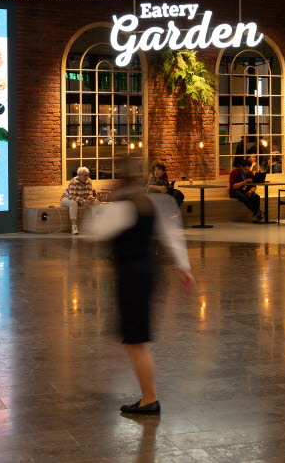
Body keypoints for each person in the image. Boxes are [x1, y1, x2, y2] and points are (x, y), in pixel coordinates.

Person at [83, 160, 194, 415]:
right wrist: (183, 267)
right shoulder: (152, 204)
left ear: (119, 181)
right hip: (149, 272)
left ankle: (149, 398)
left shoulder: (121, 208)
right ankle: (146, 395)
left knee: (136, 341)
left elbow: (94, 232)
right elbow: (171, 234)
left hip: (131, 276)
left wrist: (94, 207)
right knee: (135, 338)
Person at [61, 166, 99, 235]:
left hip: (81, 199)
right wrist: (84, 201)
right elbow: (71, 196)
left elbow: (89, 194)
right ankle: (74, 227)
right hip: (67, 199)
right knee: (73, 203)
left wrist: (91, 198)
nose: (87, 177)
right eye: (85, 175)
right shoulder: (73, 181)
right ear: (79, 175)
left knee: (95, 202)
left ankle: (95, 224)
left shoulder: (89, 181)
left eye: (88, 175)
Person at [227, 157, 264, 223]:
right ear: (241, 167)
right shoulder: (234, 172)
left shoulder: (250, 173)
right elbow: (234, 186)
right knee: (243, 197)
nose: (247, 171)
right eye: (245, 169)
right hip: (235, 191)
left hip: (246, 191)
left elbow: (254, 186)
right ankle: (258, 212)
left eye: (248, 169)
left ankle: (255, 215)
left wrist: (251, 191)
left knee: (256, 197)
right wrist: (245, 181)